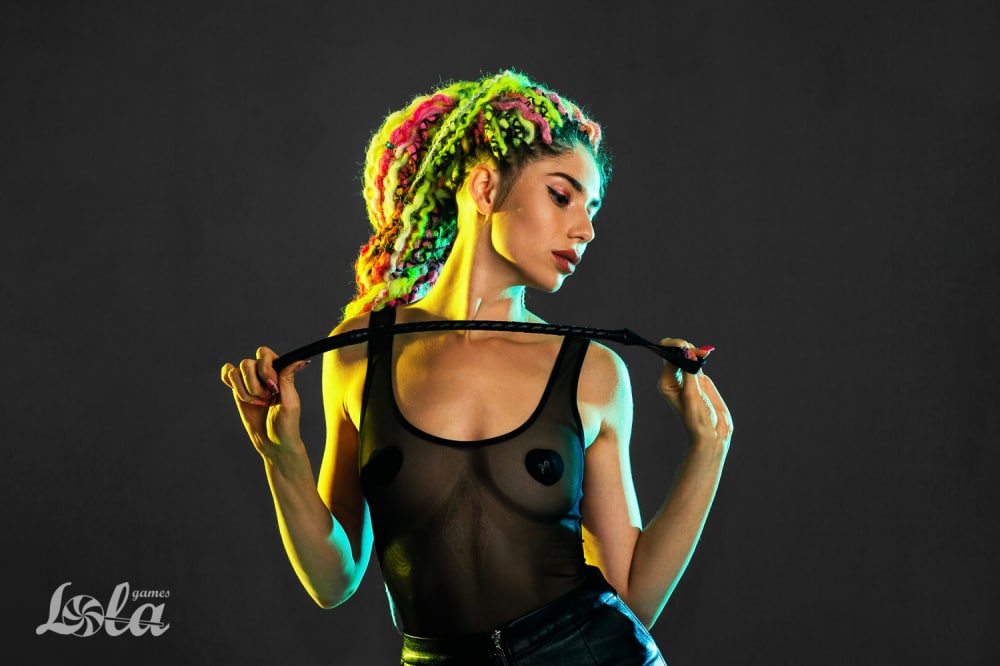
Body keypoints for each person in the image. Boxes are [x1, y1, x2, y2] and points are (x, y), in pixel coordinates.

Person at [221, 69, 733, 665]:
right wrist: (281, 457)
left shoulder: (592, 372)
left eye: (592, 209)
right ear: (485, 189)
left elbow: (631, 593)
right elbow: (333, 581)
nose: (586, 230)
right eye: (561, 196)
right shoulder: (360, 350)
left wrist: (710, 446)